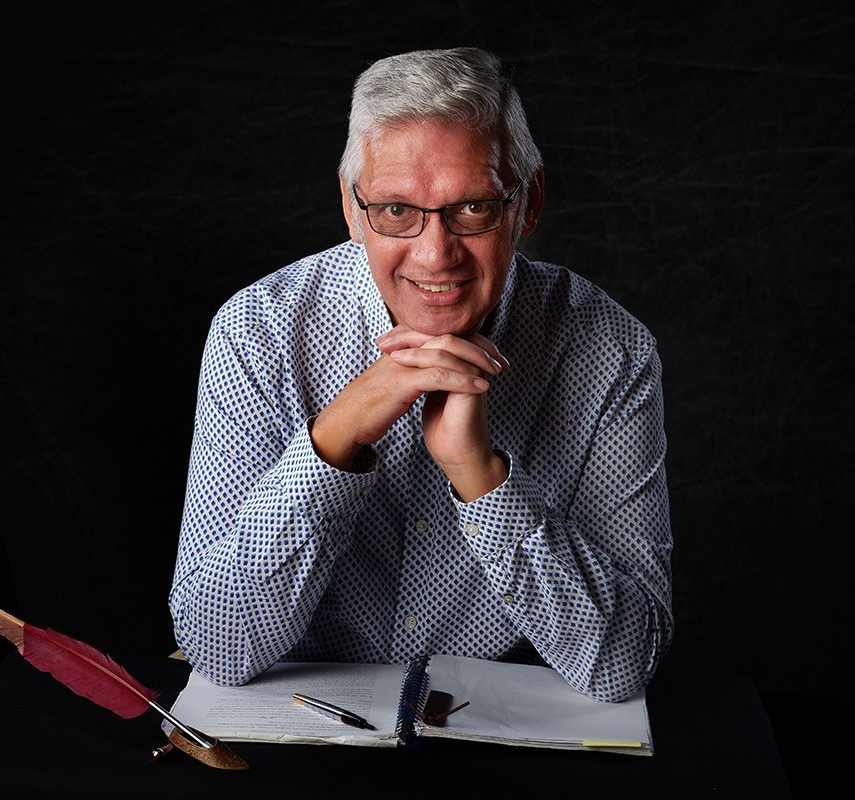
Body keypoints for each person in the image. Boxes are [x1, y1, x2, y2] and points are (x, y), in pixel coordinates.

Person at [169, 47, 673, 703]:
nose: (436, 256)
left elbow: (624, 664)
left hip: (504, 751)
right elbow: (214, 645)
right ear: (352, 210)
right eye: (396, 211)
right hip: (304, 746)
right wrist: (336, 436)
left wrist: (481, 476)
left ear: (529, 203)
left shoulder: (612, 351)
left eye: (473, 209)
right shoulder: (257, 333)